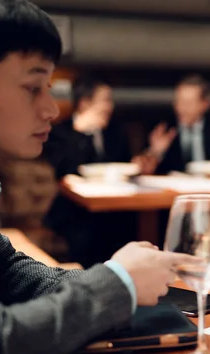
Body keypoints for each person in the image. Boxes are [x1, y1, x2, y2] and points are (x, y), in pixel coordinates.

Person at [0, 1, 190, 354]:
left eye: (49, 88)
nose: (49, 109)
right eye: (32, 88)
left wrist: (115, 280)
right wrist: (118, 283)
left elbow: (4, 269)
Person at [43, 75, 137, 267]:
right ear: (85, 103)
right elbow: (63, 170)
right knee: (86, 230)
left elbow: (125, 165)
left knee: (127, 225)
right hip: (74, 210)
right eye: (105, 100)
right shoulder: (60, 132)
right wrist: (80, 132)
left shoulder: (115, 131)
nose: (109, 107)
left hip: (113, 208)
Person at [137, 74, 210, 176]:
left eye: (189, 103)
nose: (182, 108)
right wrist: (155, 152)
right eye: (179, 101)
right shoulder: (164, 128)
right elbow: (145, 168)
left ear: (205, 104)